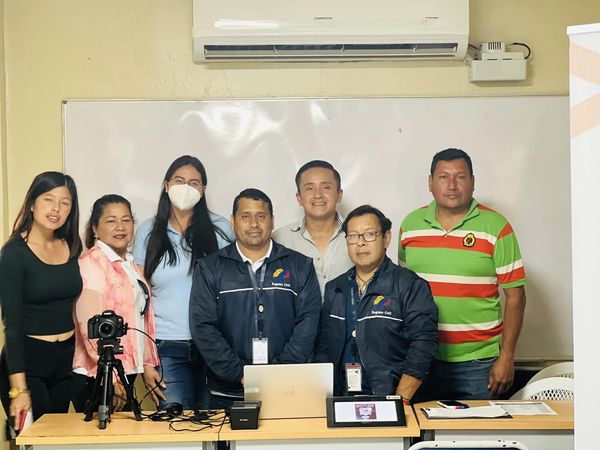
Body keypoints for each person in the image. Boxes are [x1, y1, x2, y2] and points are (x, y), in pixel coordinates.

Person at [399, 148, 527, 400]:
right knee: (420, 426)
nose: (452, 185)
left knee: (479, 428)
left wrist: (507, 356)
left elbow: (516, 297)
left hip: (479, 363)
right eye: (443, 177)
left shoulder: (497, 226)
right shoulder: (410, 226)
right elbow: (404, 292)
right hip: (422, 359)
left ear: (473, 181)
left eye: (460, 177)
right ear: (430, 182)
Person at [189, 188, 322, 410]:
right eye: (245, 216)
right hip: (225, 392)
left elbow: (308, 322)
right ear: (233, 221)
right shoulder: (210, 268)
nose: (254, 224)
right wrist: (239, 373)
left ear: (272, 221)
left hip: (286, 389)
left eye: (261, 216)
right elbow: (203, 326)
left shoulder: (299, 265)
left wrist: (278, 372)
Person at [132, 155, 234, 410]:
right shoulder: (148, 231)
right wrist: (145, 360)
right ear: (166, 185)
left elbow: (234, 290)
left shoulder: (221, 229)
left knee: (217, 424)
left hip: (215, 346)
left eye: (194, 183)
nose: (186, 187)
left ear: (203, 190)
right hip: (166, 348)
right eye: (179, 181)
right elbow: (138, 299)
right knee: (175, 422)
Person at [315, 205, 438, 401]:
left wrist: (400, 399)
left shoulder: (410, 286)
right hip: (341, 397)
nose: (360, 243)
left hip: (390, 396)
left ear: (386, 238)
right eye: (353, 236)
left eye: (370, 234)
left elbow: (423, 345)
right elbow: (323, 347)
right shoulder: (335, 288)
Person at [0, 172, 83, 428]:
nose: (56, 208)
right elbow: (12, 325)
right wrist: (19, 390)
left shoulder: (72, 246)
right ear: (32, 203)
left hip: (65, 360)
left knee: (58, 439)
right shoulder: (14, 253)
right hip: (28, 362)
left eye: (65, 202)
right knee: (36, 439)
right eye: (48, 199)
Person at [72, 195, 160, 411]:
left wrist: (147, 363)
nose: (120, 227)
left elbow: (140, 317)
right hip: (98, 374)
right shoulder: (91, 263)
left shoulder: (130, 264)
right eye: (111, 221)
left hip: (126, 369)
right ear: (95, 228)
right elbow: (90, 328)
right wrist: (110, 376)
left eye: (126, 220)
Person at [273, 160, 352, 297]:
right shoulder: (279, 239)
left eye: (326, 187)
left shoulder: (358, 236)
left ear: (339, 195)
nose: (318, 195)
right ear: (299, 198)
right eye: (309, 188)